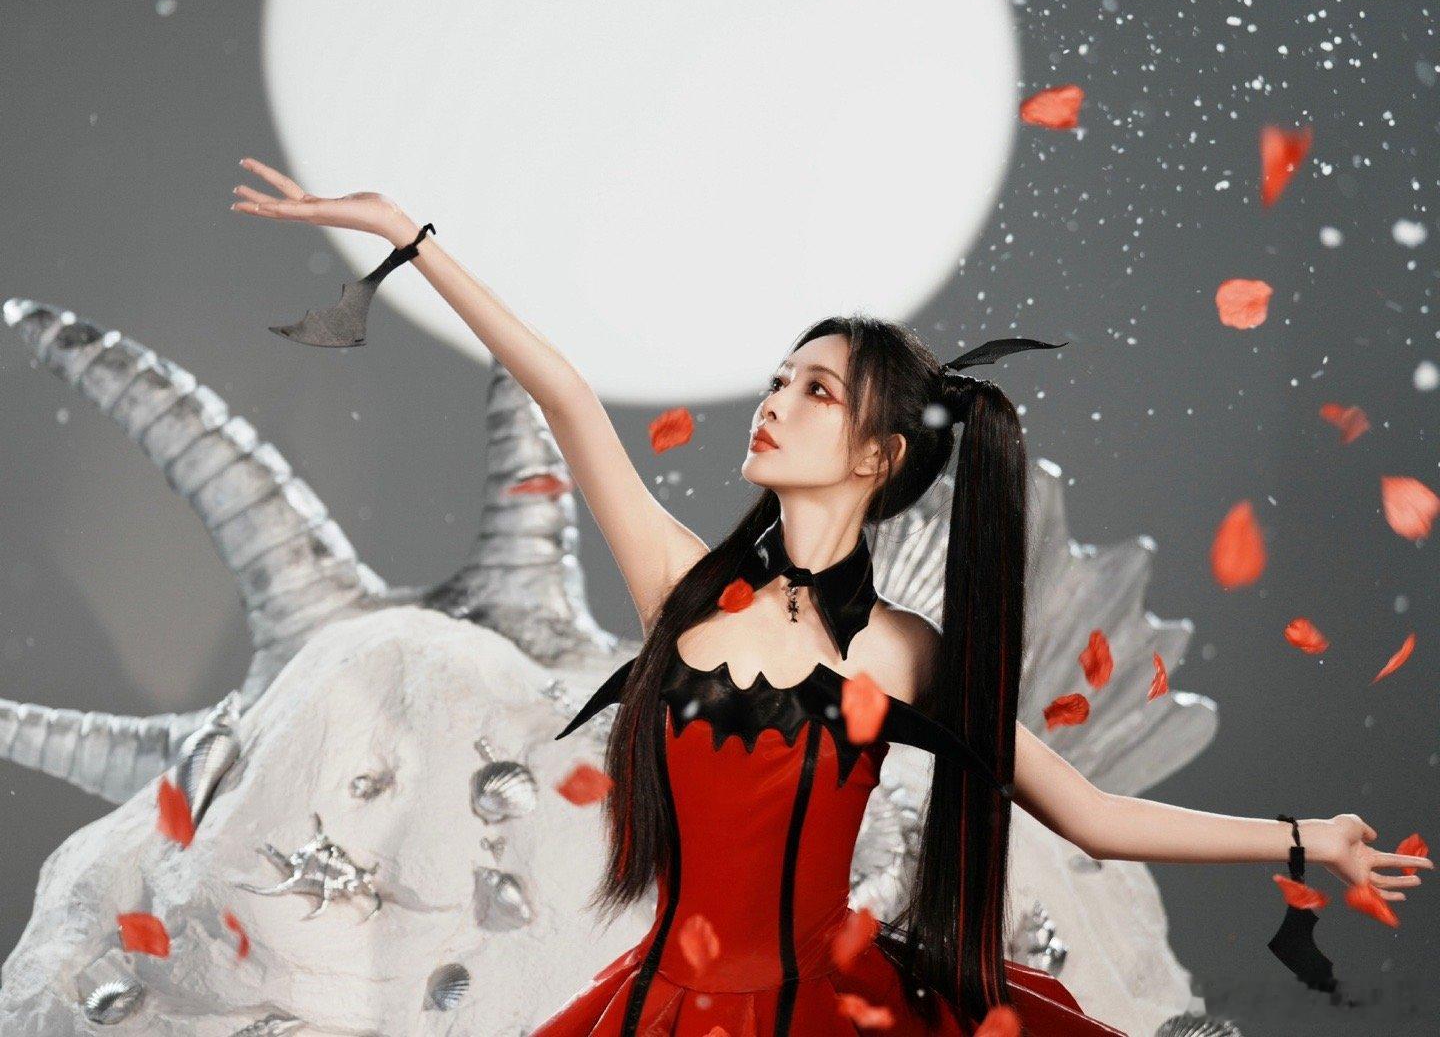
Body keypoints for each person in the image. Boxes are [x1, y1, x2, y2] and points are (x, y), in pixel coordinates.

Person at [230, 159, 1431, 1036]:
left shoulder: (902, 653)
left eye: (814, 390)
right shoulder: (681, 586)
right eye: (777, 380)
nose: (774, 403)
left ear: (876, 455)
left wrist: (1305, 839)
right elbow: (567, 395)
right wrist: (409, 238)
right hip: (660, 1008)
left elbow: (1089, 814)